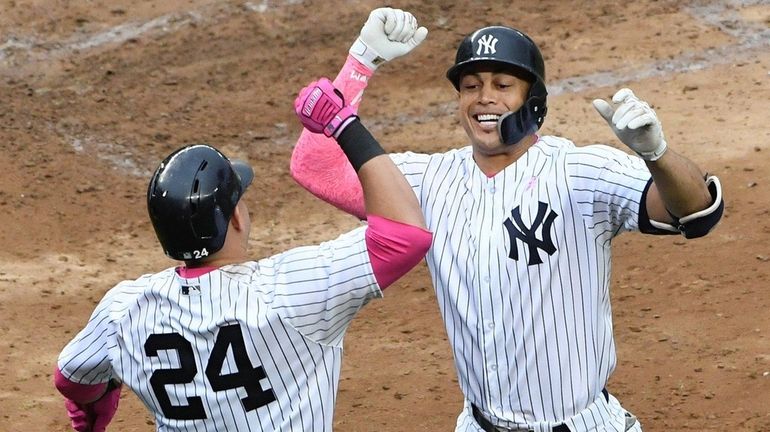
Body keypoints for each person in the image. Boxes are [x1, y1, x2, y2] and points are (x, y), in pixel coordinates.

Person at [290, 8, 724, 432]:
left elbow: (696, 212)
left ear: (532, 99)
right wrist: (362, 60)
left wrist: (656, 154)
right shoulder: (426, 182)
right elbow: (317, 167)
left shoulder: (580, 171)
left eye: (503, 84)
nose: (484, 98)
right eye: (471, 86)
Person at [53, 77, 433, 431]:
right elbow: (405, 235)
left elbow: (71, 378)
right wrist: (343, 125)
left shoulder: (123, 311)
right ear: (235, 217)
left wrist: (98, 399)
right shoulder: (293, 289)